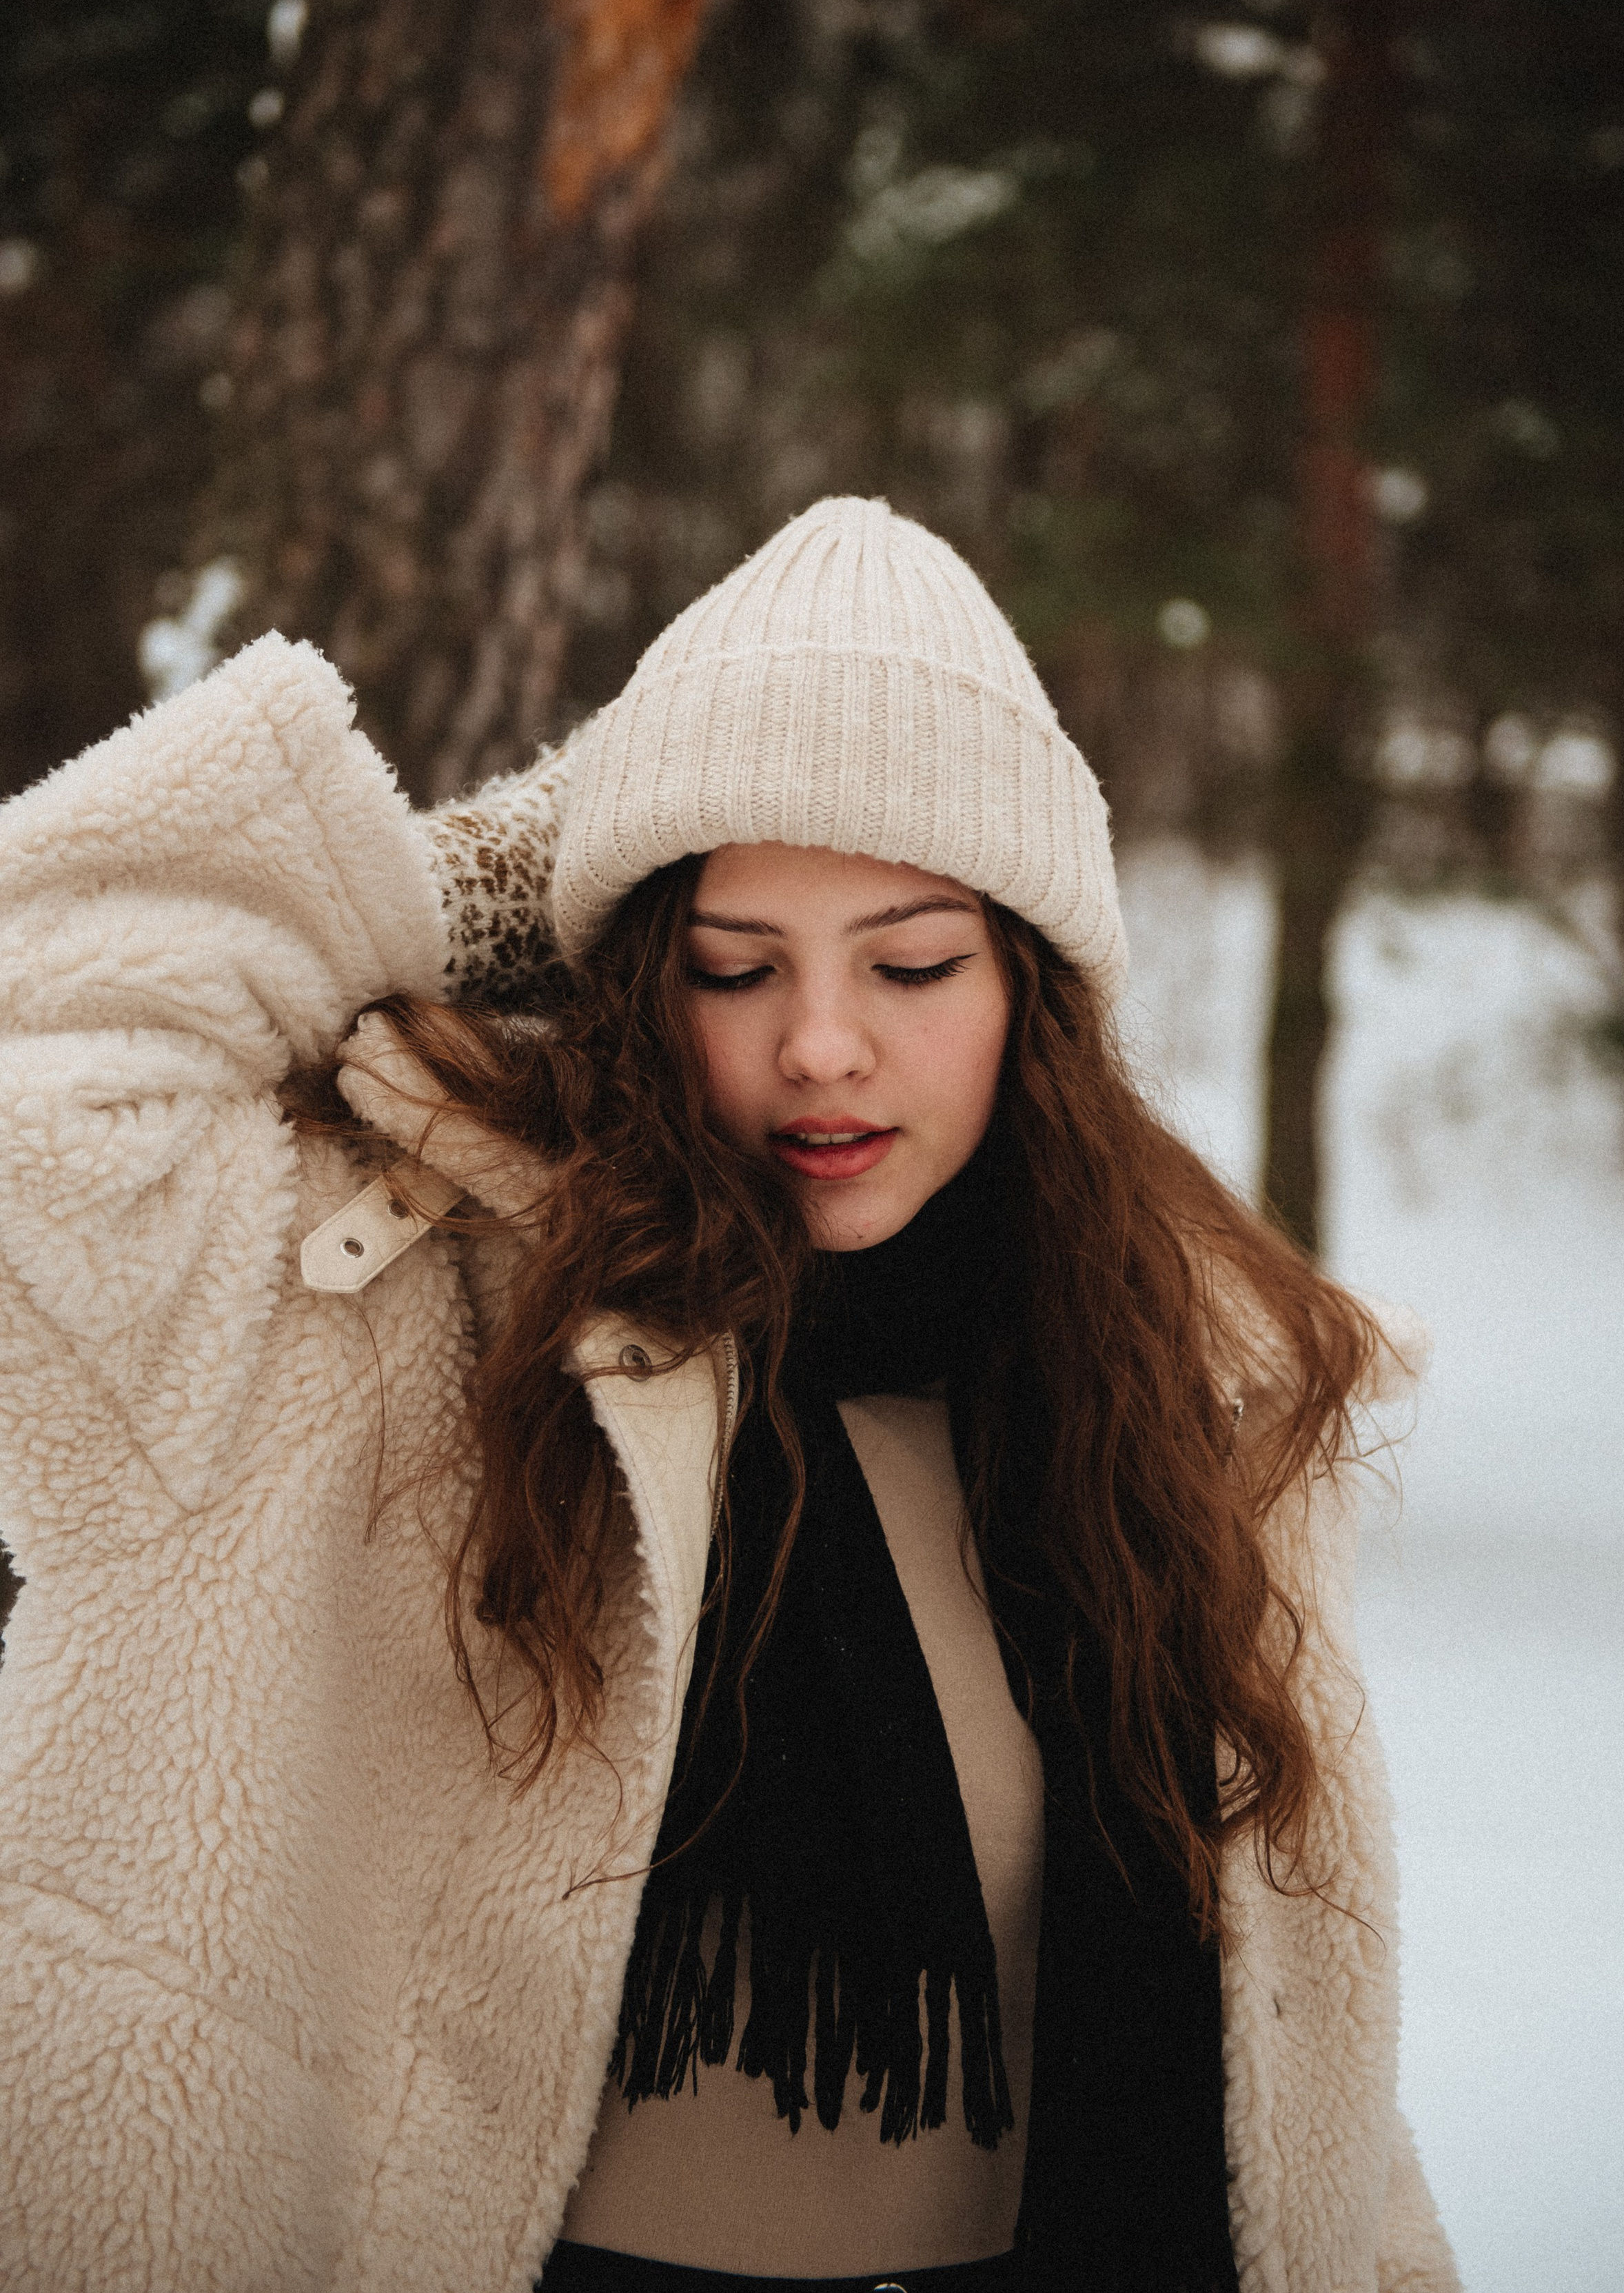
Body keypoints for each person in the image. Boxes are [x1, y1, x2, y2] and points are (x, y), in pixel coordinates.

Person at [0, 496, 1458, 2293]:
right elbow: (38, 1038)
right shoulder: (396, 1290)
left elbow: (1299, 2056)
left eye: (912, 964)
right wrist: (527, 869)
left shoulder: (1185, 1389)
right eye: (731, 965)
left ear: (1035, 988)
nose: (820, 1042)